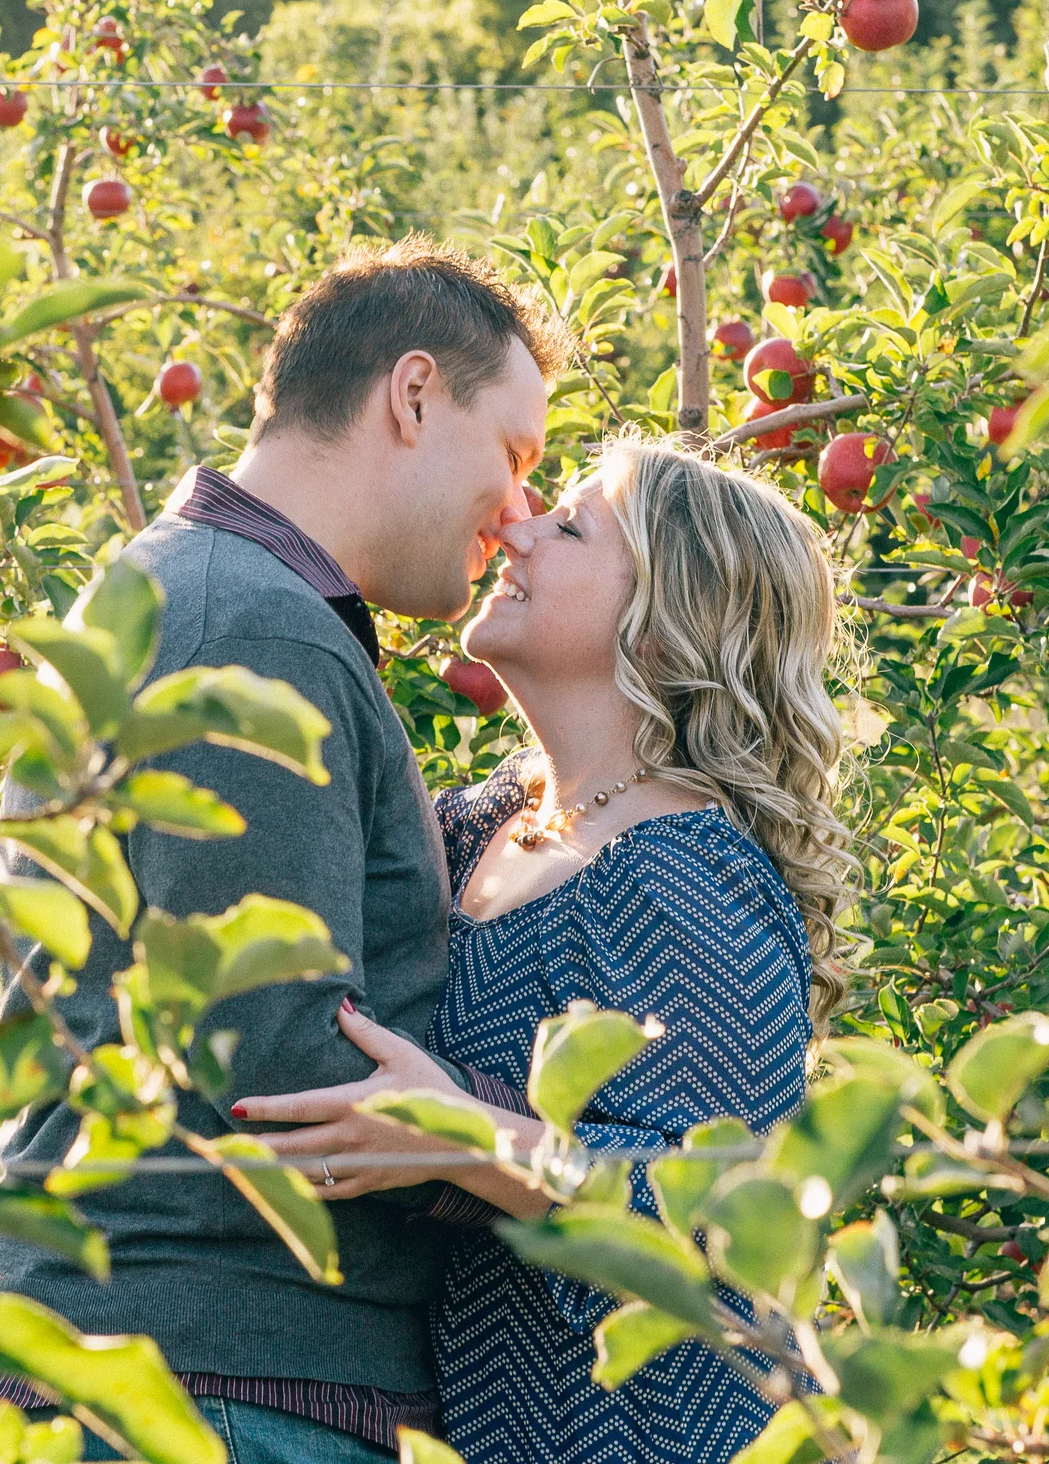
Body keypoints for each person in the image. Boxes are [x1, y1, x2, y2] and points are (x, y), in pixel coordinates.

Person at [0, 238, 563, 1463]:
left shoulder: (204, 594)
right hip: (226, 1386)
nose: (516, 512)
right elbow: (287, 1068)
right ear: (411, 396)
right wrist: (550, 1161)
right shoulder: (250, 627)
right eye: (512, 454)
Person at [232, 438, 855, 1464]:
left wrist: (469, 1140)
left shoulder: (679, 868)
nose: (512, 528)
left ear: (657, 629)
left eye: (567, 527)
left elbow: (736, 1206)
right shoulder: (487, 820)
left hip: (648, 1429)